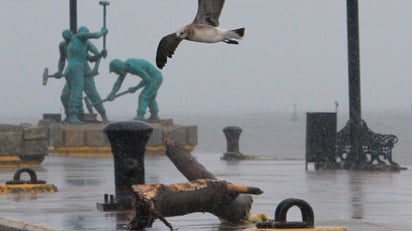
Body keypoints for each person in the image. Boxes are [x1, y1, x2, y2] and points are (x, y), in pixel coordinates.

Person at [64, 26, 108, 123]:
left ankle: (73, 115)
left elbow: (91, 58)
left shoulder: (78, 45)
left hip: (74, 69)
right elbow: (95, 35)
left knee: (70, 93)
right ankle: (72, 115)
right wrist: (102, 32)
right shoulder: (79, 36)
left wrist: (100, 54)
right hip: (76, 68)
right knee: (76, 91)